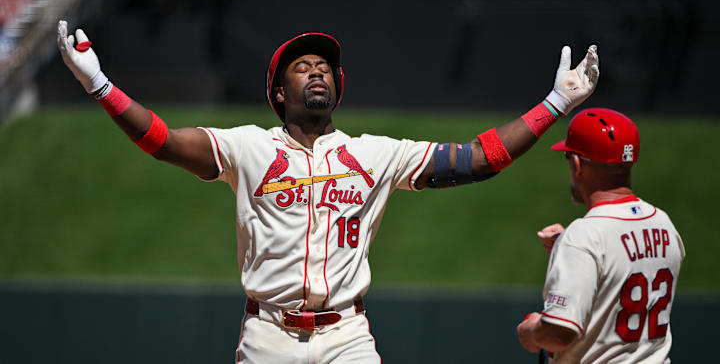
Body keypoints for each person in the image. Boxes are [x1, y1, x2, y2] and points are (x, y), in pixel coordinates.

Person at [57, 19, 598, 363]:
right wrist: (99, 85)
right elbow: (165, 142)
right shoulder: (249, 147)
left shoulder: (375, 153)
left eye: (325, 67)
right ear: (278, 91)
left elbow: (478, 159)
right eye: (302, 66)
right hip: (269, 334)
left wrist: (556, 103)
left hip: (347, 337)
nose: (317, 70)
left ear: (338, 87)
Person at [516, 108, 685, 363]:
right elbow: (626, 261)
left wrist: (532, 331)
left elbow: (559, 334)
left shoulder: (583, 237)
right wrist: (569, 249)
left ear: (576, 164)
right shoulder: (664, 224)